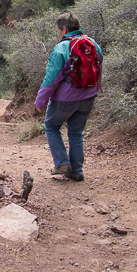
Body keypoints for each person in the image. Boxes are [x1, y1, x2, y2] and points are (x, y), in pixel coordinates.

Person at [34, 13, 102, 181]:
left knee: (51, 126)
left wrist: (40, 101)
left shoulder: (61, 48)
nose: (58, 33)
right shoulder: (93, 44)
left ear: (64, 29)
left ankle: (62, 163)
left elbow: (51, 79)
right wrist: (93, 92)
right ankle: (77, 171)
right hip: (88, 97)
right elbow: (98, 71)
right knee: (76, 132)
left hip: (65, 99)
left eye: (58, 30)